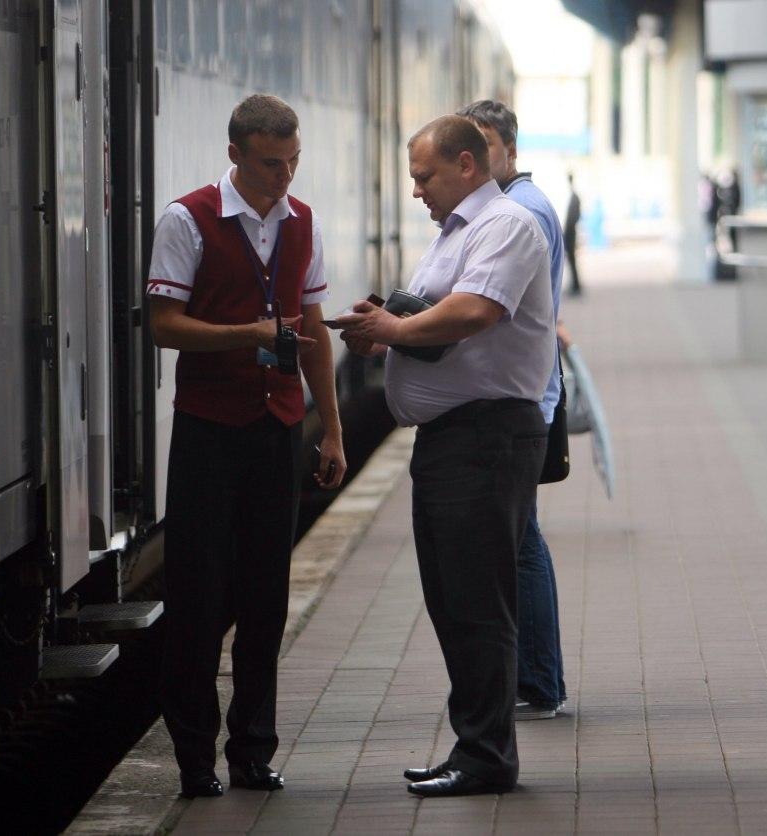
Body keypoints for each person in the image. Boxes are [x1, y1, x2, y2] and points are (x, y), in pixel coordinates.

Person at [337, 115, 554, 797]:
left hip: (487, 439)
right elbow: (434, 319)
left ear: (467, 164)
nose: (416, 191)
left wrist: (395, 326)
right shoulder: (455, 235)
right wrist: (386, 332)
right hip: (454, 441)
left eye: (424, 176)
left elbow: (474, 312)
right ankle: (473, 745)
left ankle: (487, 757)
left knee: (477, 603)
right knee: (453, 601)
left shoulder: (506, 226)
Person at [147, 94, 346, 799]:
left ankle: (253, 752)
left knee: (267, 600)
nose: (283, 179)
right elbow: (164, 325)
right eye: (270, 165)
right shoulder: (187, 218)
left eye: (293, 163)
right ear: (236, 154)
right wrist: (248, 335)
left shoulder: (303, 223)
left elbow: (314, 332)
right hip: (207, 429)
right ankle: (195, 759)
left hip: (276, 430)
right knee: (197, 599)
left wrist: (331, 427)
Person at [457, 99, 567, 722]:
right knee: (522, 537)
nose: (473, 159)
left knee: (520, 540)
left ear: (511, 150)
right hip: (528, 392)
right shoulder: (522, 207)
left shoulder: (521, 211)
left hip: (521, 399)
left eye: (485, 146)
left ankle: (538, 682)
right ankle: (537, 680)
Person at [563, 171, 582, 296]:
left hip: (571, 234)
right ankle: (575, 285)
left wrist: (568, 229)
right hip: (569, 233)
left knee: (572, 260)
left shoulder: (574, 197)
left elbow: (575, 216)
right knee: (571, 261)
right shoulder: (572, 196)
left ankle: (576, 285)